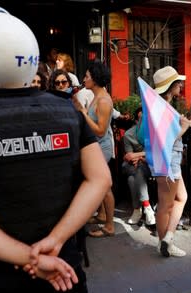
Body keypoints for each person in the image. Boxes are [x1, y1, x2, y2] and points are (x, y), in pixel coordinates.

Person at [0, 6, 111, 292]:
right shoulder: (66, 110)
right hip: (64, 269)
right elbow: (100, 179)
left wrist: (28, 256)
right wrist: (56, 240)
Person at [152, 66, 191, 257]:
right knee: (166, 203)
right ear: (169, 86)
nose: (180, 84)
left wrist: (188, 123)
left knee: (180, 198)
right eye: (177, 82)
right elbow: (166, 139)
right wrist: (186, 127)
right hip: (169, 159)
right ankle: (165, 243)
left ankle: (167, 238)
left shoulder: (162, 106)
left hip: (169, 159)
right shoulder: (162, 107)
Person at [72, 61, 116, 238]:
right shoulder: (97, 97)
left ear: (96, 79)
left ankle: (110, 226)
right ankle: (104, 215)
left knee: (104, 187)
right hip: (96, 147)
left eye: (87, 76)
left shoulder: (104, 100)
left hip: (102, 148)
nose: (84, 79)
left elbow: (100, 130)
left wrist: (82, 112)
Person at [122, 107, 155, 225]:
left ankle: (138, 210)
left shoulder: (153, 131)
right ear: (136, 121)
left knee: (133, 178)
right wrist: (139, 157)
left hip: (151, 165)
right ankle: (146, 208)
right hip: (134, 165)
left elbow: (155, 152)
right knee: (135, 171)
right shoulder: (128, 134)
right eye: (141, 119)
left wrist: (139, 156)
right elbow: (129, 157)